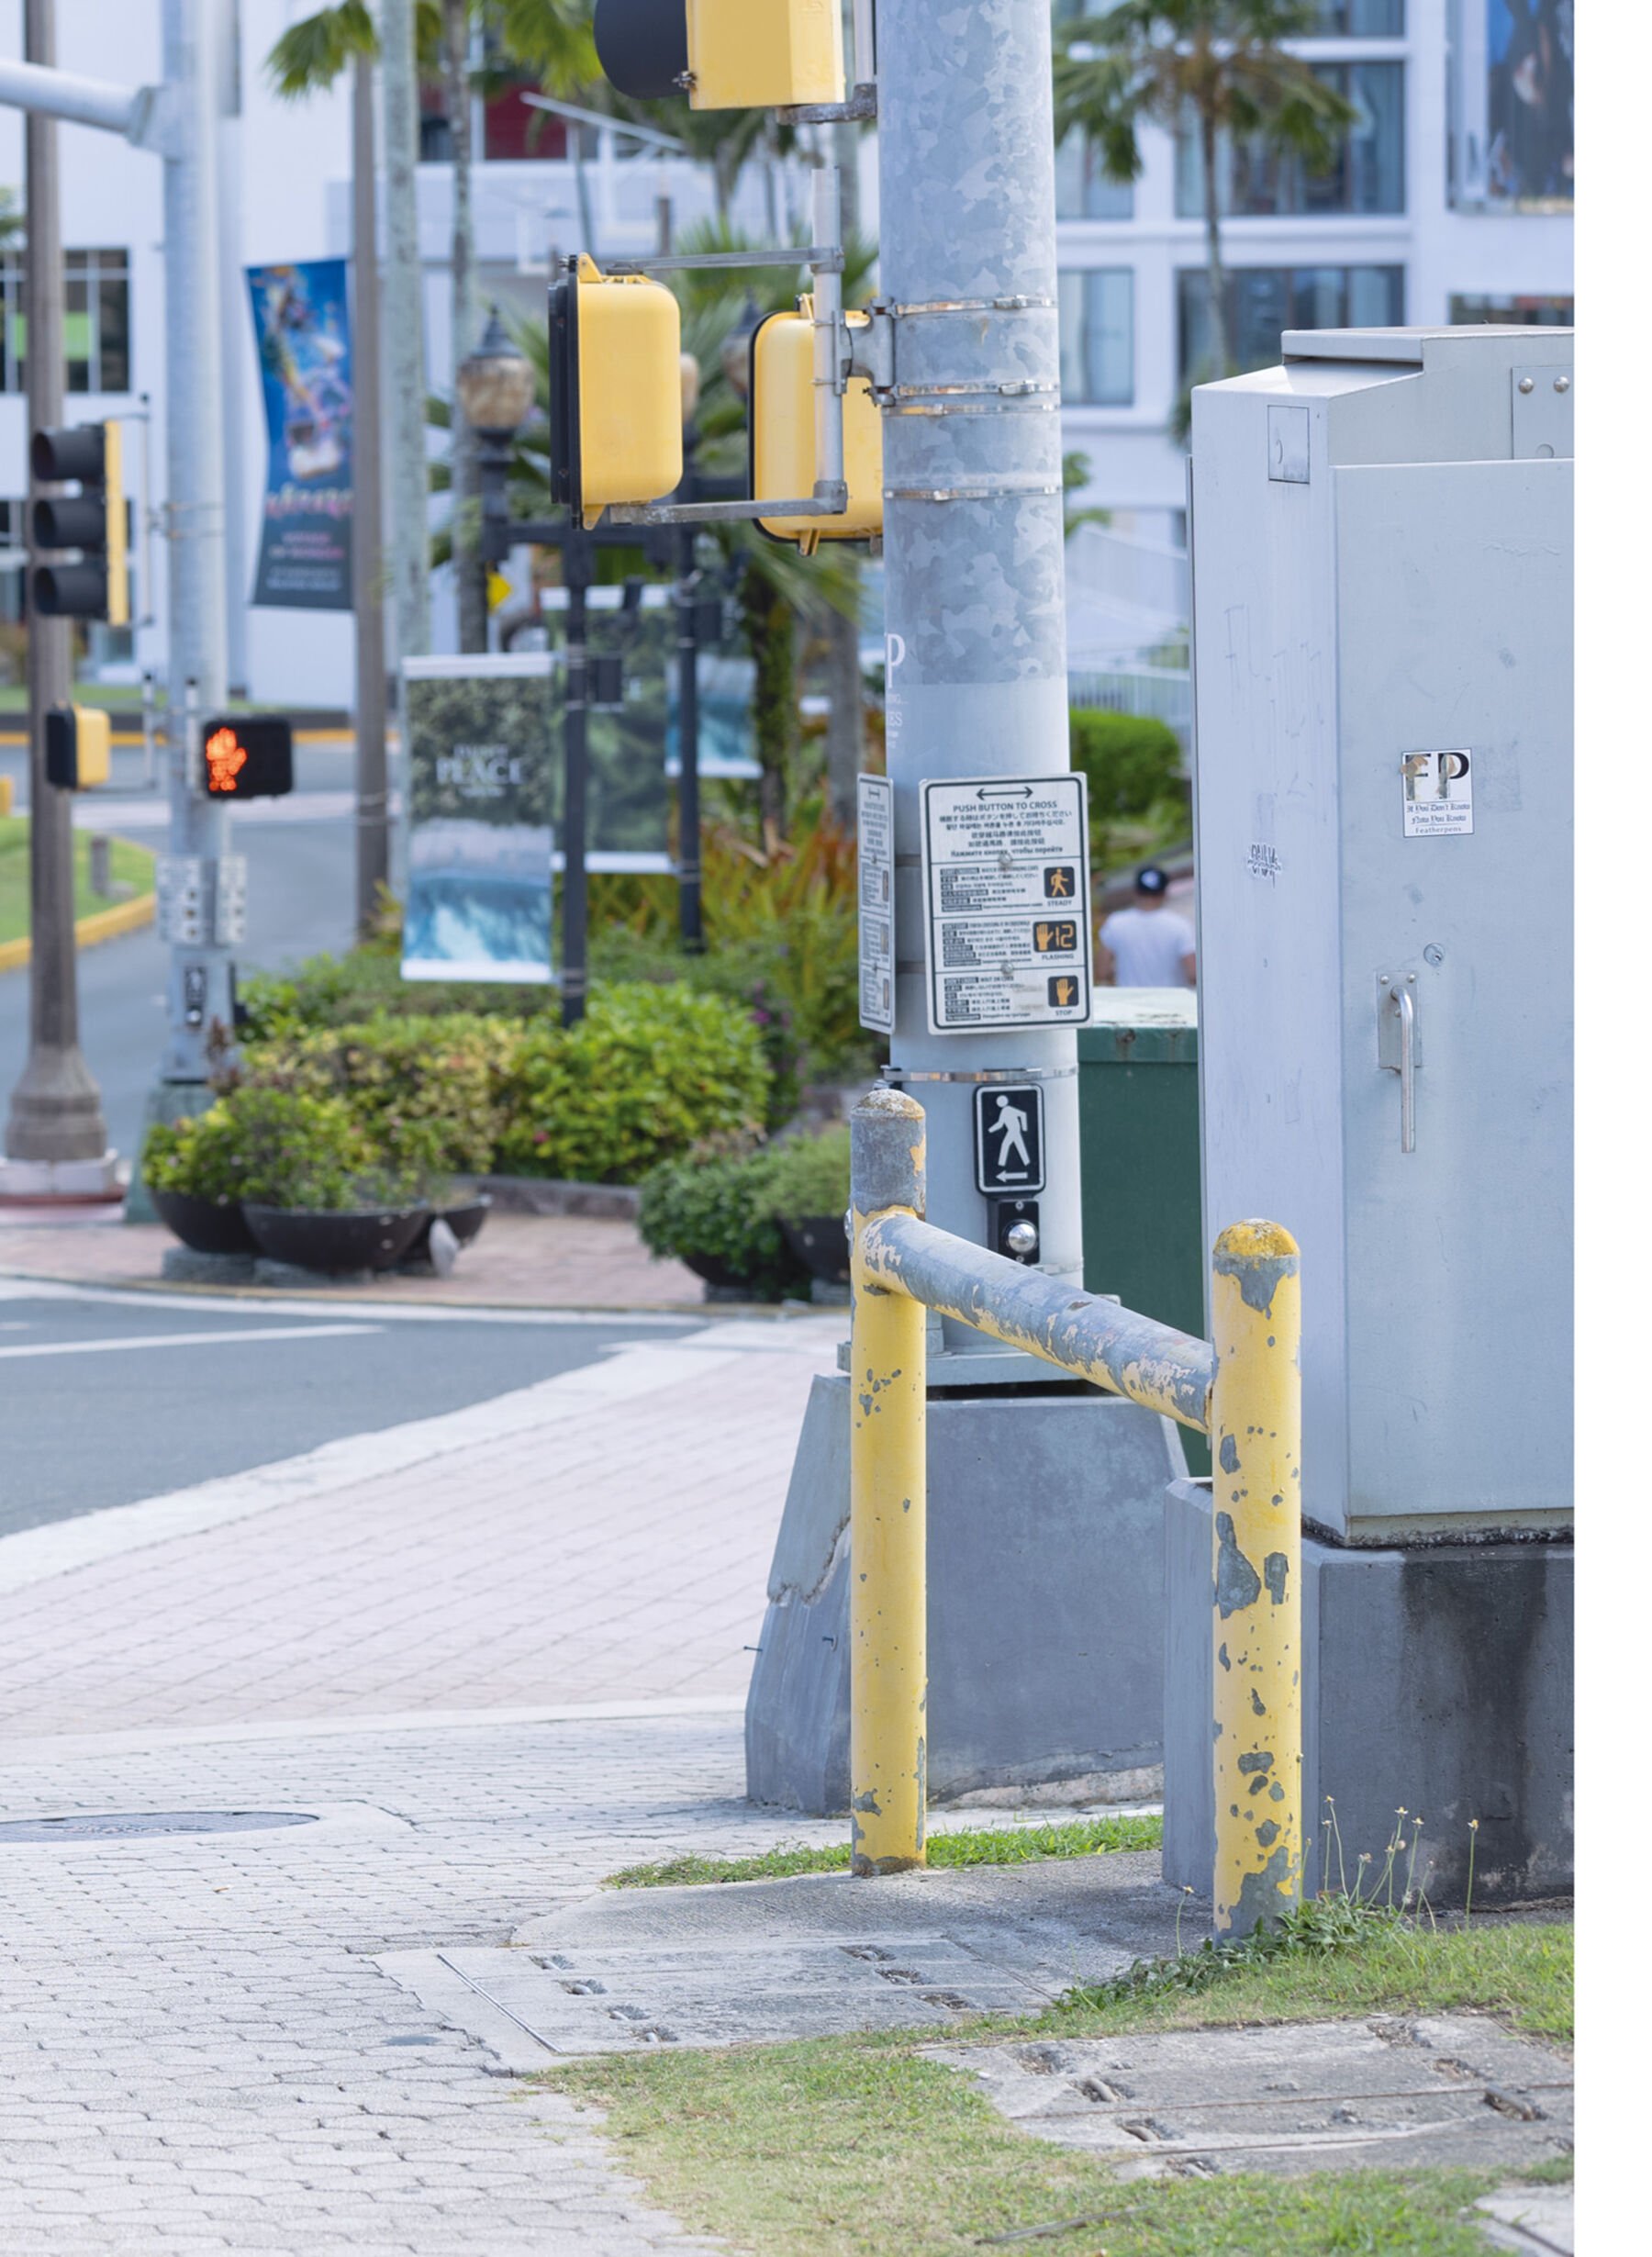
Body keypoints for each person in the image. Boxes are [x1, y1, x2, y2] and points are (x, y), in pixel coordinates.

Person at [1097, 865, 1196, 988]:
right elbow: (1193, 974)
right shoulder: (1180, 925)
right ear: (1164, 893)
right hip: (1169, 998)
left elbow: (1102, 971)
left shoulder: (1115, 923)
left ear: (1136, 892)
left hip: (1129, 998)